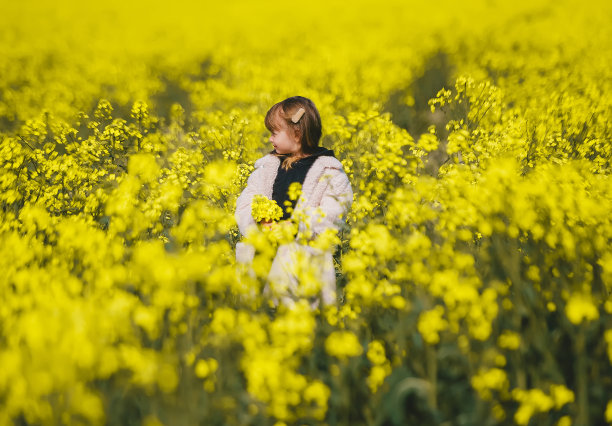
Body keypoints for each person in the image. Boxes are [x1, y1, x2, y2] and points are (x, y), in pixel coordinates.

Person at [235, 96, 353, 307]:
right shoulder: (267, 167)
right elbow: (246, 201)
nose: (270, 139)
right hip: (261, 259)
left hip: (302, 267)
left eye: (274, 133)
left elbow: (334, 213)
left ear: (296, 133)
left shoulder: (329, 172)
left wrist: (298, 226)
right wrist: (259, 219)